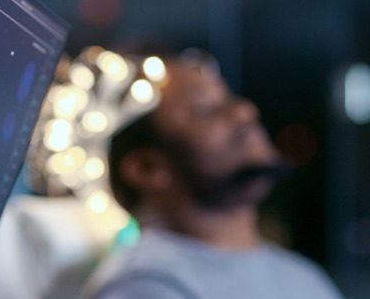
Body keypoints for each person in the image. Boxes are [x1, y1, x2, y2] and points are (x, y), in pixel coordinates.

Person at [82, 58, 343, 299]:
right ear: (147, 168)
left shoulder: (302, 274)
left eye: (230, 100)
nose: (244, 111)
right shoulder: (144, 287)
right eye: (205, 108)